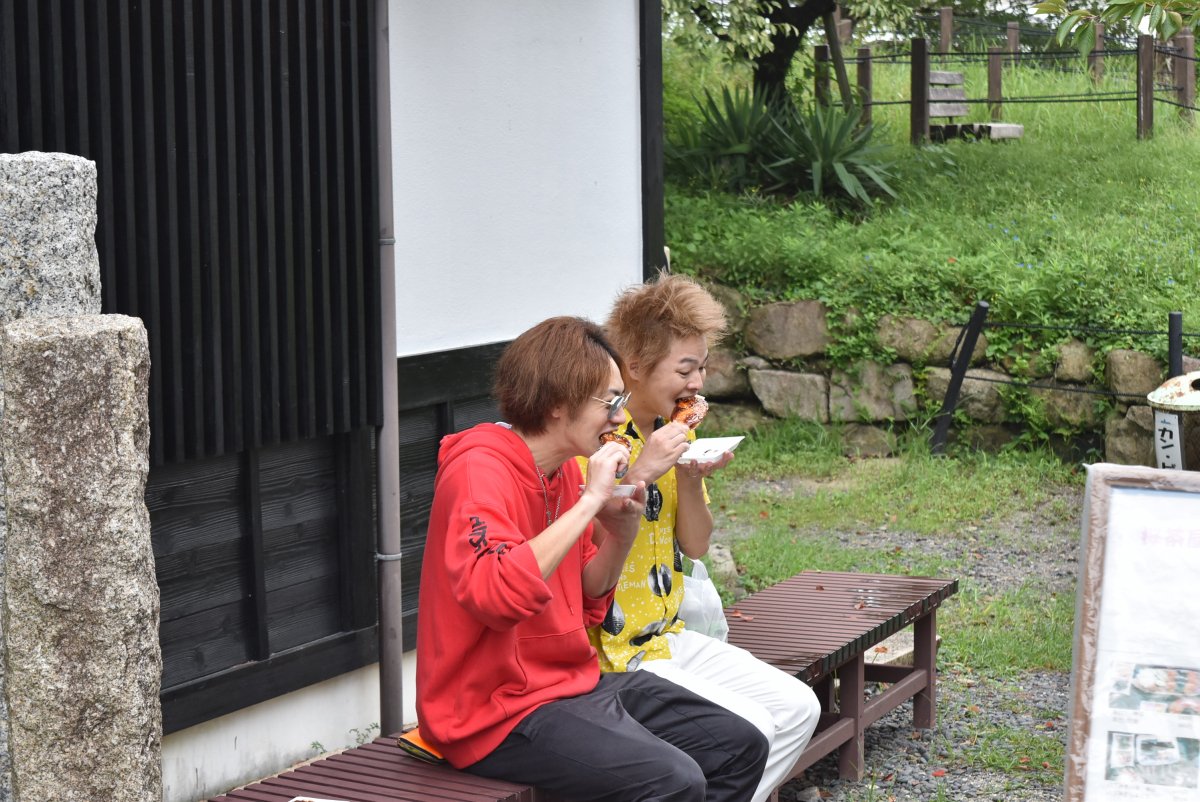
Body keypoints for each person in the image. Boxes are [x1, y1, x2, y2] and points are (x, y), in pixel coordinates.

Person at [415, 315, 770, 802]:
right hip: (489, 713)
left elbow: (588, 595)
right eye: (611, 401)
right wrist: (588, 504)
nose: (621, 418)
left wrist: (619, 534)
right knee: (673, 779)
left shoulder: (560, 474)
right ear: (558, 402)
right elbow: (494, 595)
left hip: (570, 684)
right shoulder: (479, 470)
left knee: (740, 745)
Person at [590, 274, 821, 802]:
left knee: (799, 708)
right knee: (754, 727)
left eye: (702, 367)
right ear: (635, 366)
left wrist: (690, 476)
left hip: (666, 633)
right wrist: (644, 469)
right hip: (614, 652)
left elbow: (695, 546)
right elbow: (590, 522)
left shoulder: (673, 434)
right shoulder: (599, 437)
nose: (697, 383)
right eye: (685, 369)